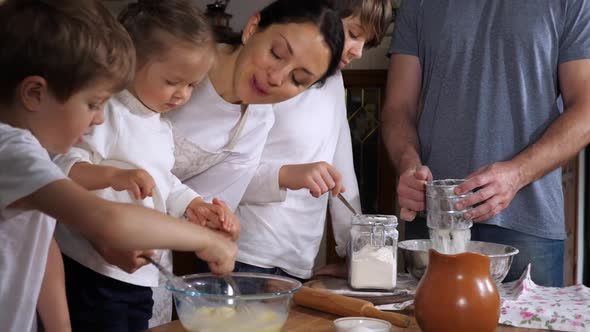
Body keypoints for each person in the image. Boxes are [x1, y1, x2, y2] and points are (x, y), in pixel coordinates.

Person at [0, 1, 236, 331]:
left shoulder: (24, 154)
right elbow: (108, 219)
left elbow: (43, 248)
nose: (98, 117)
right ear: (35, 93)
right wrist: (208, 241)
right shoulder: (9, 149)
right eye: (93, 104)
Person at [382, 0, 590, 287]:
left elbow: (585, 109)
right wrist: (408, 164)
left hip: (529, 222)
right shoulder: (418, 4)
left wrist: (516, 174)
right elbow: (397, 109)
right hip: (434, 220)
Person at [234, 0, 392, 280]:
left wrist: (354, 252)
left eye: (366, 44)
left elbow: (343, 174)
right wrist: (288, 175)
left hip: (299, 260)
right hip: (244, 255)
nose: (357, 51)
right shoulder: (270, 77)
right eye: (354, 34)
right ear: (323, 17)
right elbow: (224, 175)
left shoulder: (334, 82)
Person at [165, 0, 345, 214]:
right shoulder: (181, 56)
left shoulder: (257, 122)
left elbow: (204, 208)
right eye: (276, 53)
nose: (276, 78)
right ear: (252, 29)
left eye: (297, 79)